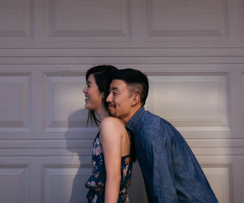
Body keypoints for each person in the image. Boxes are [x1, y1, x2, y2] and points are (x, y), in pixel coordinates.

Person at [106, 68, 218, 203]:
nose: (108, 98)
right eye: (108, 92)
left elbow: (164, 189)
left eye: (115, 93)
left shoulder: (151, 131)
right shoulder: (140, 127)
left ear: (135, 99)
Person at [83, 65, 133, 203]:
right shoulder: (109, 124)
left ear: (103, 91)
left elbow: (114, 177)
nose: (84, 90)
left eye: (89, 85)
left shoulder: (110, 124)